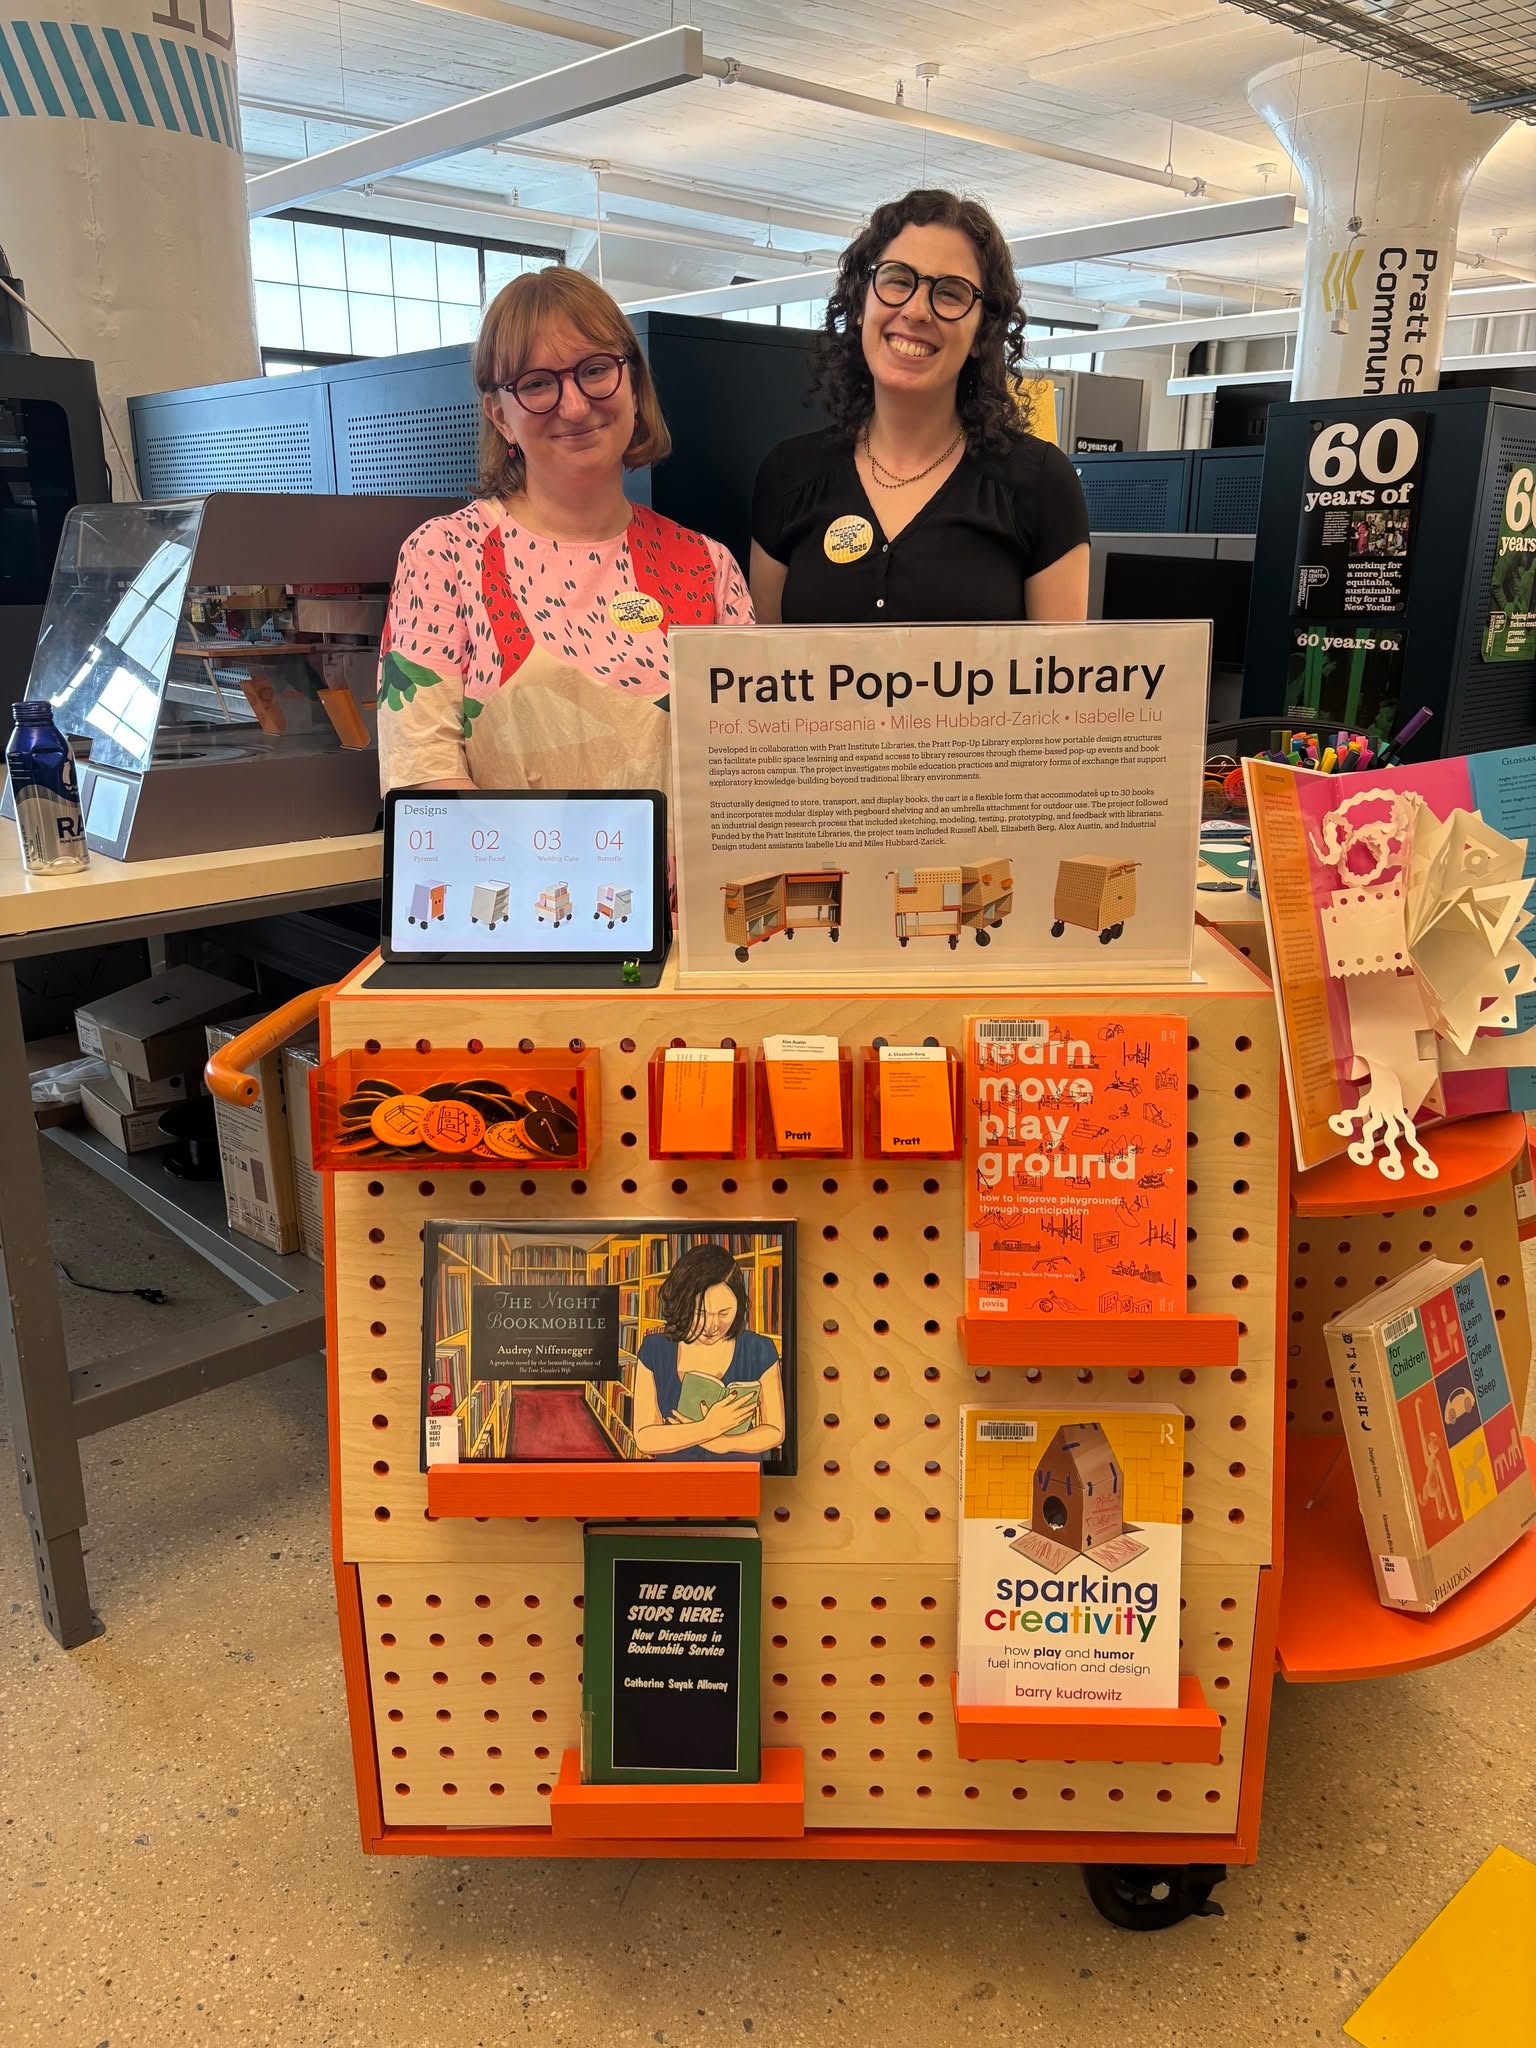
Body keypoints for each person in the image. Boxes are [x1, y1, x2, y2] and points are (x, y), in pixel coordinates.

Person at [377, 267, 751, 793]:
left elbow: (745, 764)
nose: (574, 407)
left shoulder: (708, 566)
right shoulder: (444, 556)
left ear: (633, 385)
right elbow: (423, 776)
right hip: (504, 852)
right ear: (499, 415)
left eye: (595, 370)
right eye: (536, 384)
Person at [750, 188, 1090, 627]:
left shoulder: (1039, 484)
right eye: (897, 280)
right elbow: (766, 665)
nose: (916, 310)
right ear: (860, 304)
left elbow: (1058, 669)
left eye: (950, 294)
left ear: (981, 335)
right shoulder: (789, 476)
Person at [632, 1242, 785, 1461]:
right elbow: (644, 1439)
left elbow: (775, 1431)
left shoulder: (760, 1350)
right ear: (681, 1305)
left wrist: (723, 1444)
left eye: (724, 1313)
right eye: (700, 1313)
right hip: (674, 1477)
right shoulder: (654, 1350)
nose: (712, 1326)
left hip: (736, 1475)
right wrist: (708, 1428)